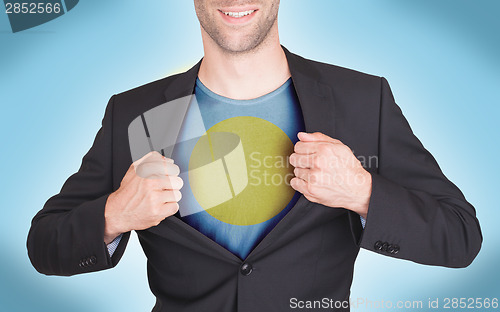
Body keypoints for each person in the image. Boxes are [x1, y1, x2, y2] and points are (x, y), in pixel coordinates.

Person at [27, 1, 482, 311]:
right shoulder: (136, 114)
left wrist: (363, 192)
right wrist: (114, 214)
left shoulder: (362, 100)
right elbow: (44, 245)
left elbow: (460, 236)